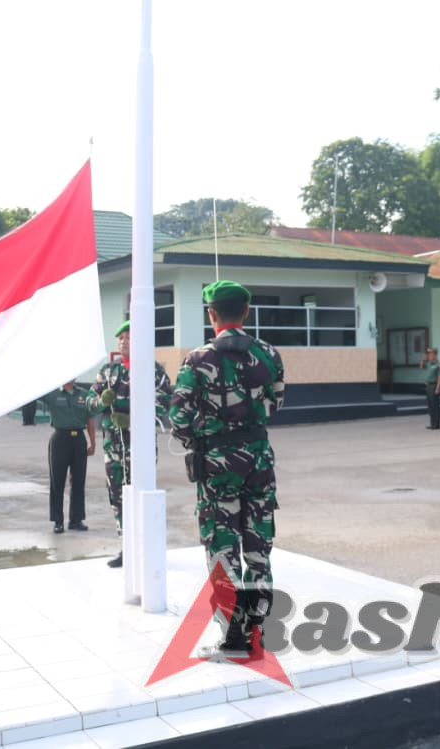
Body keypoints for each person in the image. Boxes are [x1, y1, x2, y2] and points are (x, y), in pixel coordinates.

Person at [169, 280, 285, 656]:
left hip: (217, 465)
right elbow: (275, 404)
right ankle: (258, 632)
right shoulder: (269, 354)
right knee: (257, 546)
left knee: (222, 547)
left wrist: (204, 434)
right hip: (259, 460)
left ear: (212, 314)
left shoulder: (198, 359)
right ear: (246, 312)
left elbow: (179, 418)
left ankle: (232, 638)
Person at [88, 319, 172, 567]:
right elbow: (89, 401)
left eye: (129, 337)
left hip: (141, 446)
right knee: (117, 496)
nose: (124, 341)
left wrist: (134, 417)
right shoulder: (108, 371)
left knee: (143, 494)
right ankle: (126, 548)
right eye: (121, 338)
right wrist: (102, 402)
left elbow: (164, 401)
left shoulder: (152, 370)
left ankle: (146, 549)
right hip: (114, 447)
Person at [37, 380, 95, 534]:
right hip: (60, 439)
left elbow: (89, 419)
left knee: (78, 481)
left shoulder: (84, 394)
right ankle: (58, 521)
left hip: (79, 440)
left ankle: (76, 520)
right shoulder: (53, 393)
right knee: (57, 481)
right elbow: (35, 390)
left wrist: (93, 443)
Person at [420, 347, 440, 430]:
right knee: (430, 405)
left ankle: (436, 424)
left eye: (431, 354)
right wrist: (423, 359)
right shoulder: (428, 363)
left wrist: (438, 387)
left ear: (435, 355)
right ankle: (432, 423)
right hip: (428, 386)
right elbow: (421, 367)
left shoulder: (438, 364)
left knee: (435, 405)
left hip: (434, 385)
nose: (429, 356)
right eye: (429, 354)